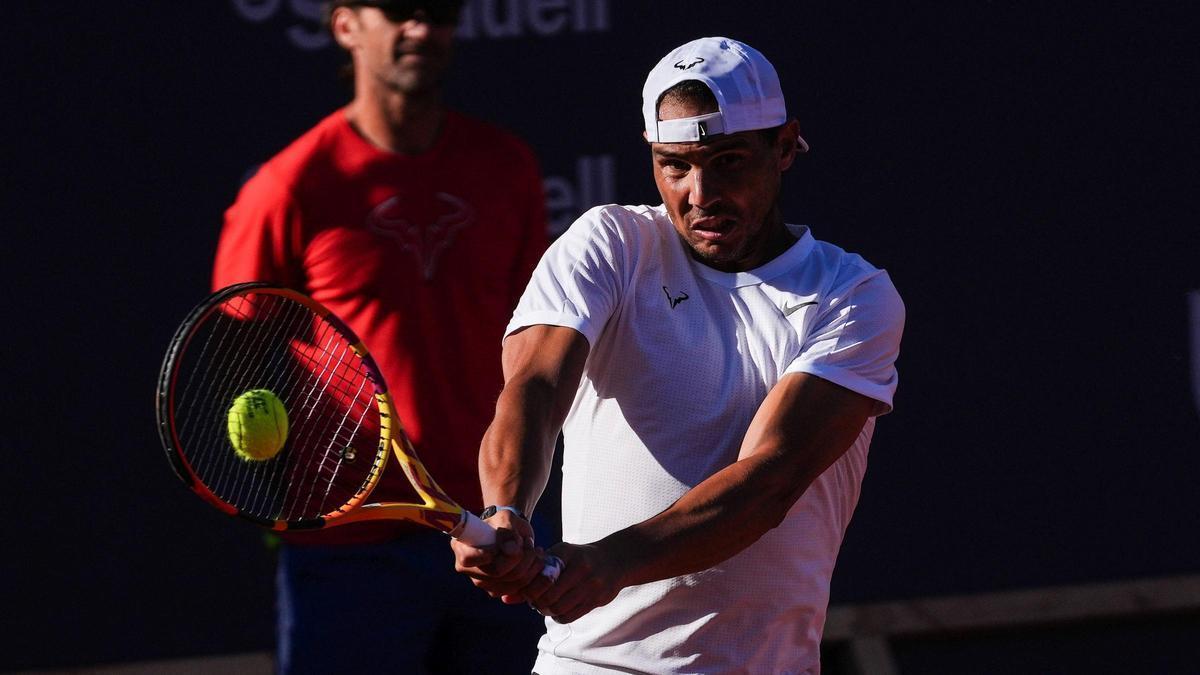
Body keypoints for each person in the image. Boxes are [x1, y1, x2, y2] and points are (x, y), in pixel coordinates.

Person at [452, 37, 905, 674]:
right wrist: (505, 511)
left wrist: (610, 563)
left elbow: (769, 481)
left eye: (727, 162)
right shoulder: (611, 244)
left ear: (783, 147)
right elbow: (534, 387)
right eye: (675, 165)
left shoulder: (852, 295)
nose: (700, 193)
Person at [212, 1, 549, 672]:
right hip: (348, 545)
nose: (421, 29)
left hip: (493, 529)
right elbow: (230, 350)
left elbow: (537, 346)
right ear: (345, 26)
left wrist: (512, 498)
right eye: (398, 10)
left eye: (440, 12)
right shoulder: (291, 186)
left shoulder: (506, 168)